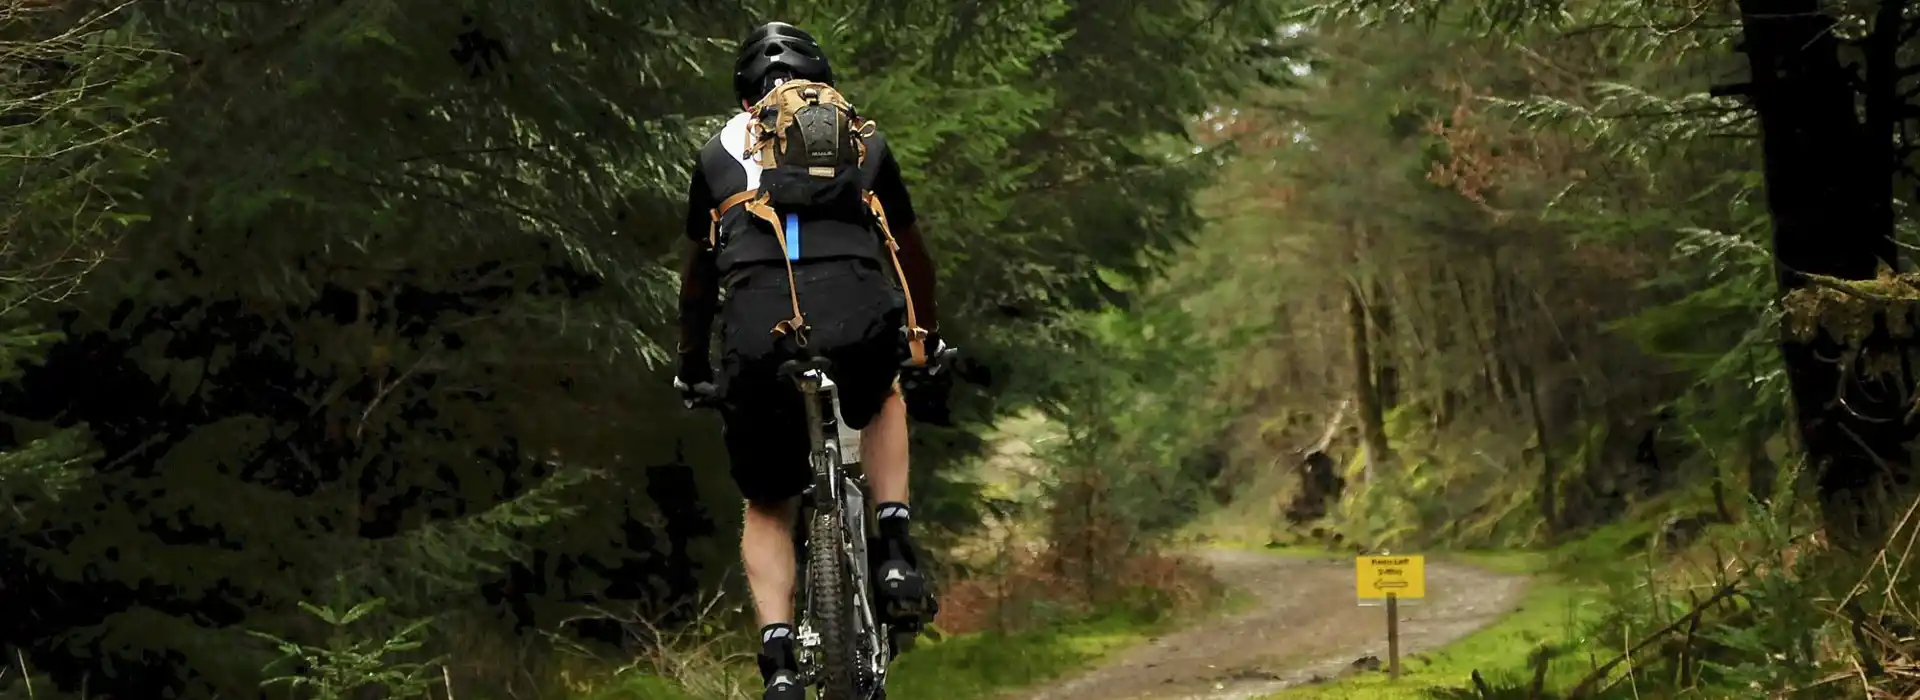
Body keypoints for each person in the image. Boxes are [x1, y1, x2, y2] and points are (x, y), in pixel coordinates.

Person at [672, 21, 945, 700]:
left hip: (758, 331)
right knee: (882, 393)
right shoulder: (863, 138)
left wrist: (692, 365)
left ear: (747, 101)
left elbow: (698, 282)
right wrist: (922, 338)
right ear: (822, 82)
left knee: (767, 502)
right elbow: (910, 254)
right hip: (856, 313)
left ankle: (780, 663)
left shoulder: (715, 154)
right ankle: (894, 550)